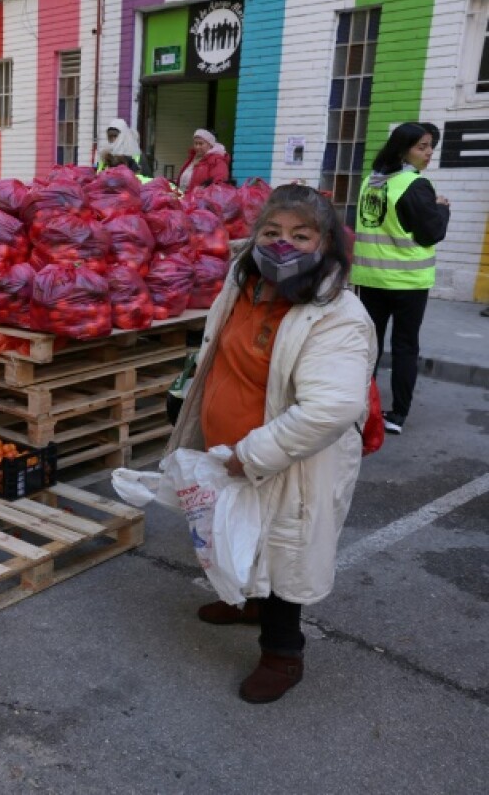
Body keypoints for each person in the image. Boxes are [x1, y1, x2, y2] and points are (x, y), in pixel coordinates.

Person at [165, 184, 376, 704]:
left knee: (284, 551)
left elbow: (333, 408)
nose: (284, 246)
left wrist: (252, 453)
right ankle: (247, 604)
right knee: (236, 534)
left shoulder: (337, 315)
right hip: (230, 452)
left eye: (301, 236)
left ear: (326, 243)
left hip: (289, 461)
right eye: (272, 232)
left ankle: (283, 655)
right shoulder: (244, 285)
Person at [350, 122, 450, 435]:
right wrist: (442, 209)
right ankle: (396, 415)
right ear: (403, 149)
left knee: (368, 347)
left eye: (431, 146)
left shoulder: (372, 181)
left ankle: (359, 406)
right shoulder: (415, 185)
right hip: (408, 282)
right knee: (405, 346)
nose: (429, 153)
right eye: (422, 146)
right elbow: (431, 231)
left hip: (369, 279)